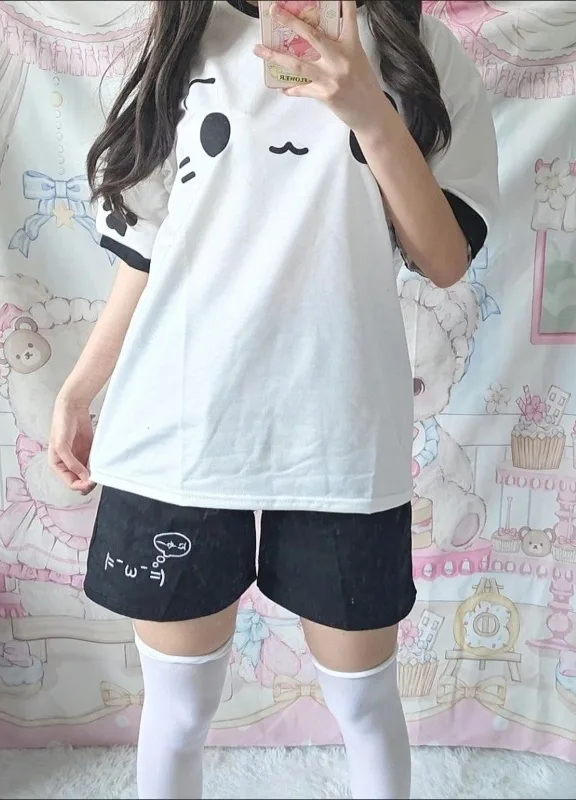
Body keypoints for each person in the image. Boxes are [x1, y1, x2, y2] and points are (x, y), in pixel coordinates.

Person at [48, 1, 498, 798]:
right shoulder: (188, 34)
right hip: (179, 425)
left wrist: (368, 112)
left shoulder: (414, 46)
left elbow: (445, 259)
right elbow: (150, 243)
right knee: (178, 712)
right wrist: (83, 384)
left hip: (341, 432)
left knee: (364, 707)